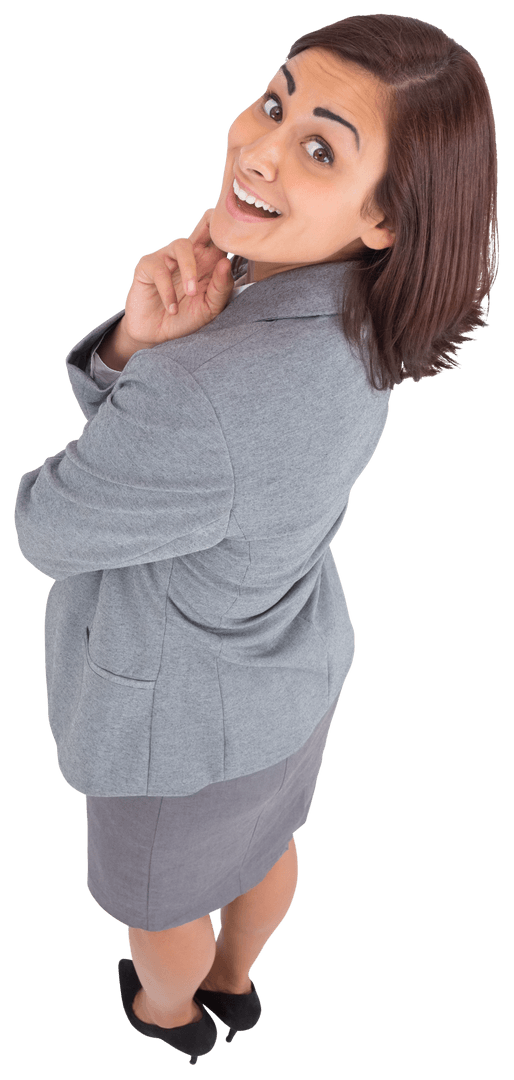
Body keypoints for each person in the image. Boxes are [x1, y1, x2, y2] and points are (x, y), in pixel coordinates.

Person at [12, 12, 499, 1066]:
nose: (260, 147)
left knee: (157, 907)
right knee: (267, 844)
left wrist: (142, 358)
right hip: (287, 676)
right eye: (275, 103)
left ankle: (168, 1013)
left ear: (383, 218)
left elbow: (47, 526)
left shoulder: (207, 388)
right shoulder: (364, 320)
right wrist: (150, 350)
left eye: (321, 148)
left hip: (171, 723)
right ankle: (238, 982)